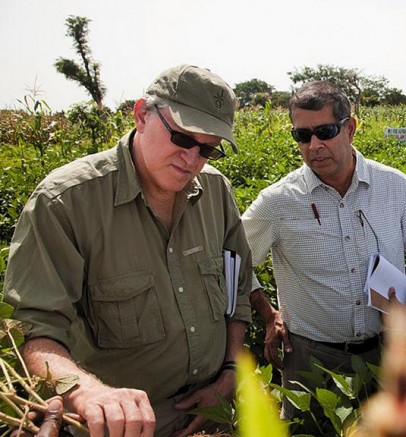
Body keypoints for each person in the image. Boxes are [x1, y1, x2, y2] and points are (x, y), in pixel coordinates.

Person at [3, 64, 253, 437]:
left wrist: (230, 374)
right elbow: (33, 330)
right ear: (141, 115)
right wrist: (88, 391)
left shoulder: (216, 192)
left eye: (209, 149)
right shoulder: (66, 202)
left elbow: (237, 293)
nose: (193, 160)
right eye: (183, 139)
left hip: (214, 415)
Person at [241, 81, 406, 422]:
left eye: (325, 131)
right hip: (309, 359)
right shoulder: (278, 202)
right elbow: (234, 263)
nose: (314, 145)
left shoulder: (394, 186)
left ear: (349, 128)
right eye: (302, 136)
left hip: (384, 352)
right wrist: (267, 312)